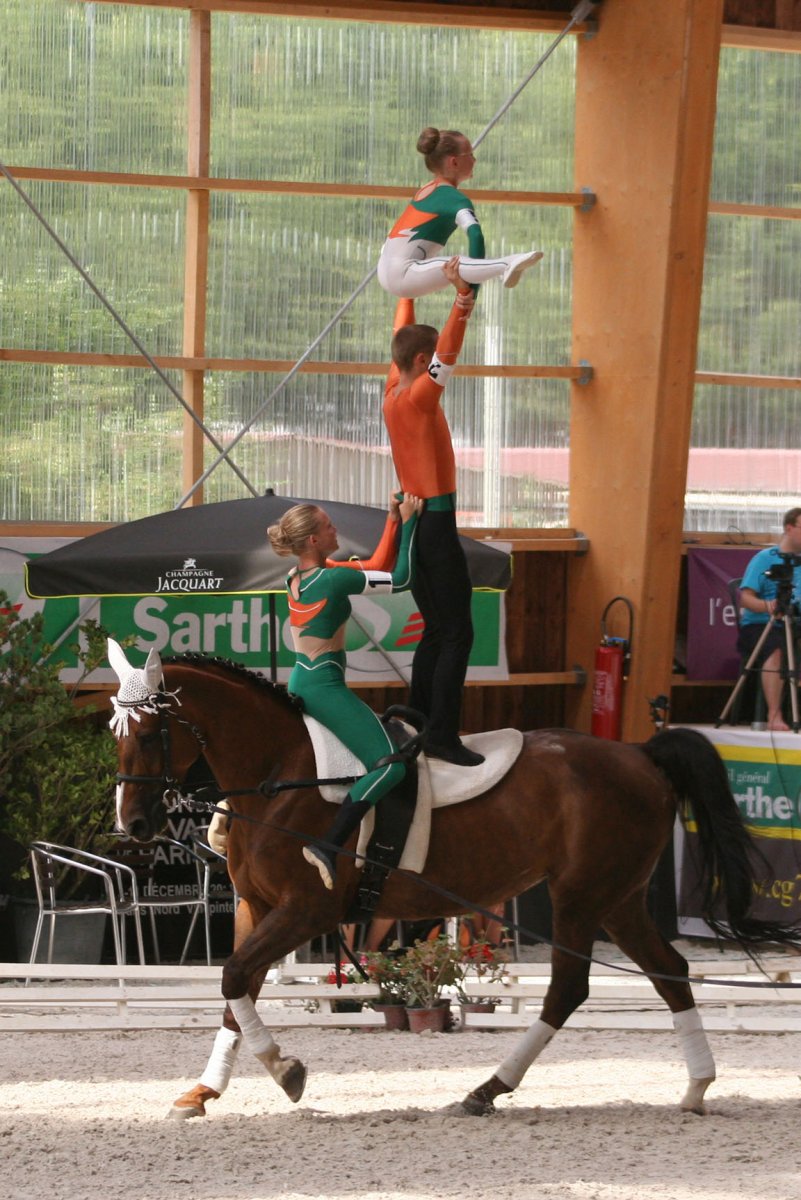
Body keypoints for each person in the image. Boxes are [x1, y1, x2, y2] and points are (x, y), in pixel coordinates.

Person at [268, 493, 423, 890]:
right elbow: (402, 577)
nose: (336, 530)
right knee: (392, 766)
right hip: (324, 686)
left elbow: (375, 566)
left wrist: (393, 520)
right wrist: (413, 524)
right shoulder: (334, 578)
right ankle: (328, 844)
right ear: (315, 541)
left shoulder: (300, 577)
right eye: (329, 526)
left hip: (303, 679)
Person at [383, 256, 483, 767]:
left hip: (414, 523)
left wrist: (406, 283)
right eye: (429, 363)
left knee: (435, 628)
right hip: (437, 522)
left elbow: (404, 334)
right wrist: (461, 301)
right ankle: (442, 733)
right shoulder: (420, 398)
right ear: (422, 364)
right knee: (457, 631)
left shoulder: (391, 391)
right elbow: (446, 350)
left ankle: (421, 718)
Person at [377, 126, 543, 299]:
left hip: (385, 269)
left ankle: (505, 266)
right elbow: (476, 235)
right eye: (470, 155)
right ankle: (507, 264)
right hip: (404, 275)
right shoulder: (455, 199)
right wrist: (473, 293)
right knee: (454, 265)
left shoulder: (427, 190)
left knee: (452, 266)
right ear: (454, 162)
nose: (475, 160)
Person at [737, 506, 801, 731]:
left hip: (796, 623)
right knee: (776, 648)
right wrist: (768, 606)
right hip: (762, 624)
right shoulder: (764, 559)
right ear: (789, 528)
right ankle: (774, 714)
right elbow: (745, 599)